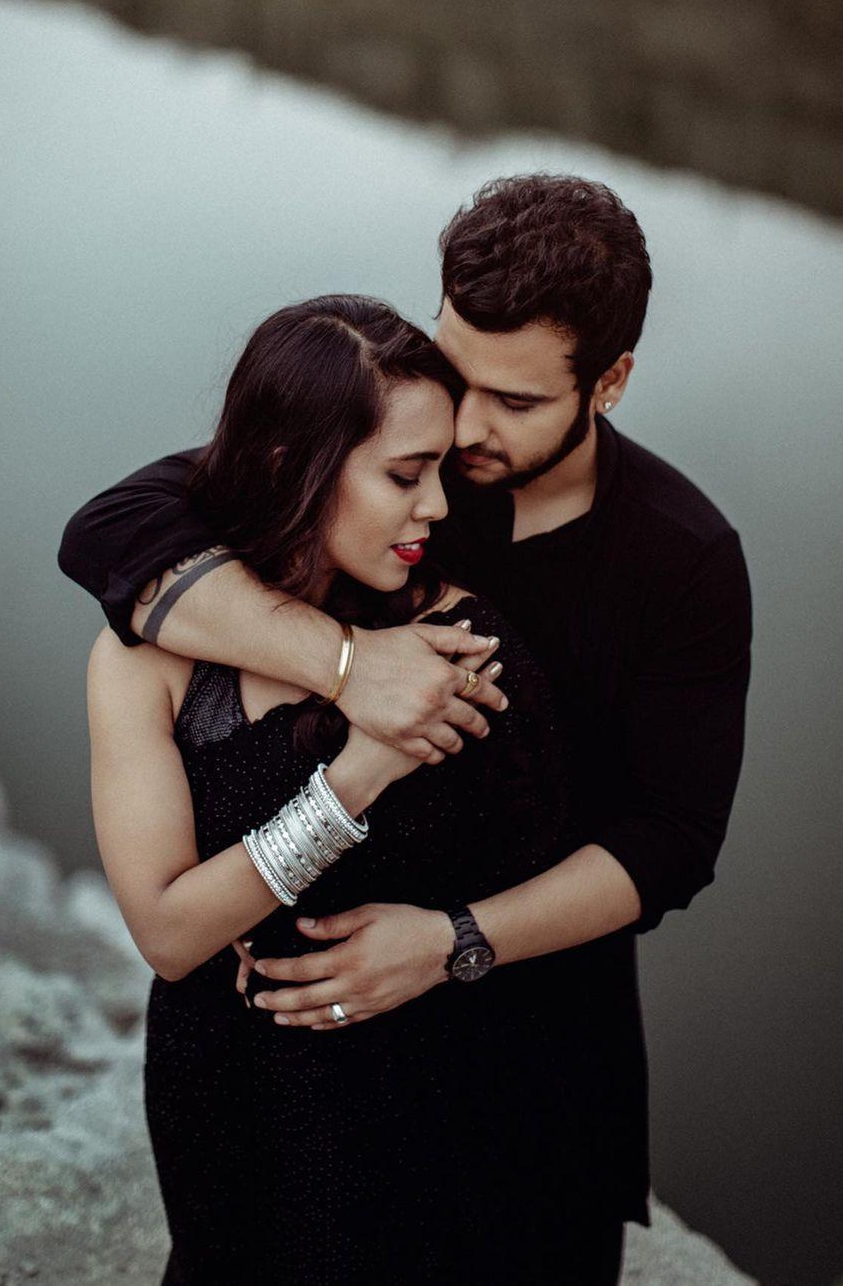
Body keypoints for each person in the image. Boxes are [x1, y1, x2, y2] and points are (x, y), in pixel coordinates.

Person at [61, 174, 753, 1276]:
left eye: (514, 403)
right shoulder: (399, 453)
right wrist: (348, 665)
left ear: (610, 382)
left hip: (534, 1030)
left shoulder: (683, 559)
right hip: (295, 1067)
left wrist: (453, 942)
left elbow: (672, 841)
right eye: (455, 373)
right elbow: (116, 531)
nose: (466, 431)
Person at [84, 293, 622, 1282]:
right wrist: (356, 774)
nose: (438, 508)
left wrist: (447, 940)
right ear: (295, 465)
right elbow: (167, 933)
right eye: (405, 474)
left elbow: (547, 925)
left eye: (440, 471)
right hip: (222, 1088)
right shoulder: (147, 658)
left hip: (420, 1100)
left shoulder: (464, 649)